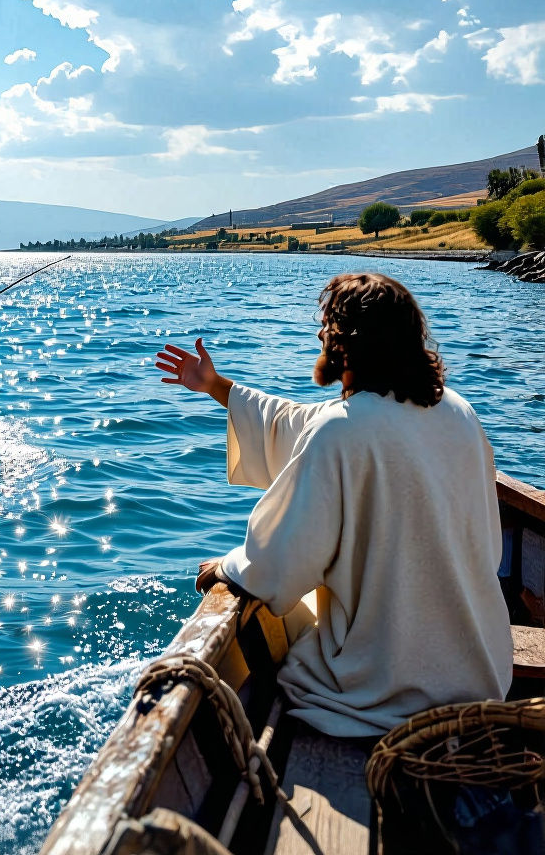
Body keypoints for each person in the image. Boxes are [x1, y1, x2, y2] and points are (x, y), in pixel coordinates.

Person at [155, 272, 512, 740]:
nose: (321, 335)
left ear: (346, 343)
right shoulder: (458, 412)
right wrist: (218, 387)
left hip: (387, 686)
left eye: (327, 327)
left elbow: (274, 564)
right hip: (481, 675)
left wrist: (229, 567)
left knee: (297, 653)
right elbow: (302, 424)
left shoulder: (342, 433)